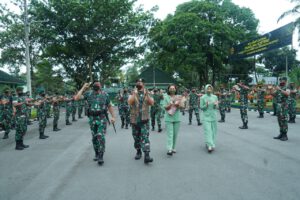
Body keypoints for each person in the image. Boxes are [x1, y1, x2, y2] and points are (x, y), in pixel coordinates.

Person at [75, 81, 116, 165]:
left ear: (101, 86)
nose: (97, 86)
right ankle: (96, 153)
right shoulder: (88, 94)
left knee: (100, 136)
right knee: (94, 137)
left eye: (98, 84)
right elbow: (77, 98)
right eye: (95, 84)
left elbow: (109, 106)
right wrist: (83, 87)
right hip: (92, 119)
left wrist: (113, 117)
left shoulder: (105, 95)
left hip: (102, 118)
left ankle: (101, 155)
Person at [128, 78, 154, 164]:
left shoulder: (148, 93)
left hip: (144, 119)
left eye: (141, 82)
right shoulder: (132, 93)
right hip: (135, 120)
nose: (139, 83)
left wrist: (147, 95)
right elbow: (130, 102)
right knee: (136, 137)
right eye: (138, 82)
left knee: (145, 137)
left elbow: (151, 103)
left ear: (144, 84)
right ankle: (138, 151)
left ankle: (147, 155)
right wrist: (134, 94)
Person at [163, 84, 184, 156]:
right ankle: (169, 148)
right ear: (168, 89)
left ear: (175, 89)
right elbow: (164, 107)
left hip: (177, 118)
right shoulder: (166, 97)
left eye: (173, 88)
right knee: (170, 134)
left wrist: (178, 105)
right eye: (170, 88)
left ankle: (173, 147)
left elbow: (182, 106)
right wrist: (170, 104)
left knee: (175, 134)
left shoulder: (179, 97)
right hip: (168, 118)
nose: (172, 89)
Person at [200, 84, 218, 153]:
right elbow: (201, 107)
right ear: (205, 89)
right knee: (208, 131)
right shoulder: (203, 97)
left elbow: (216, 107)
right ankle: (210, 145)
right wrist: (206, 105)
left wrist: (216, 105)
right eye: (208, 88)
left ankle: (210, 142)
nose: (209, 90)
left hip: (213, 116)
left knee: (213, 131)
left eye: (210, 88)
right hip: (206, 116)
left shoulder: (215, 97)